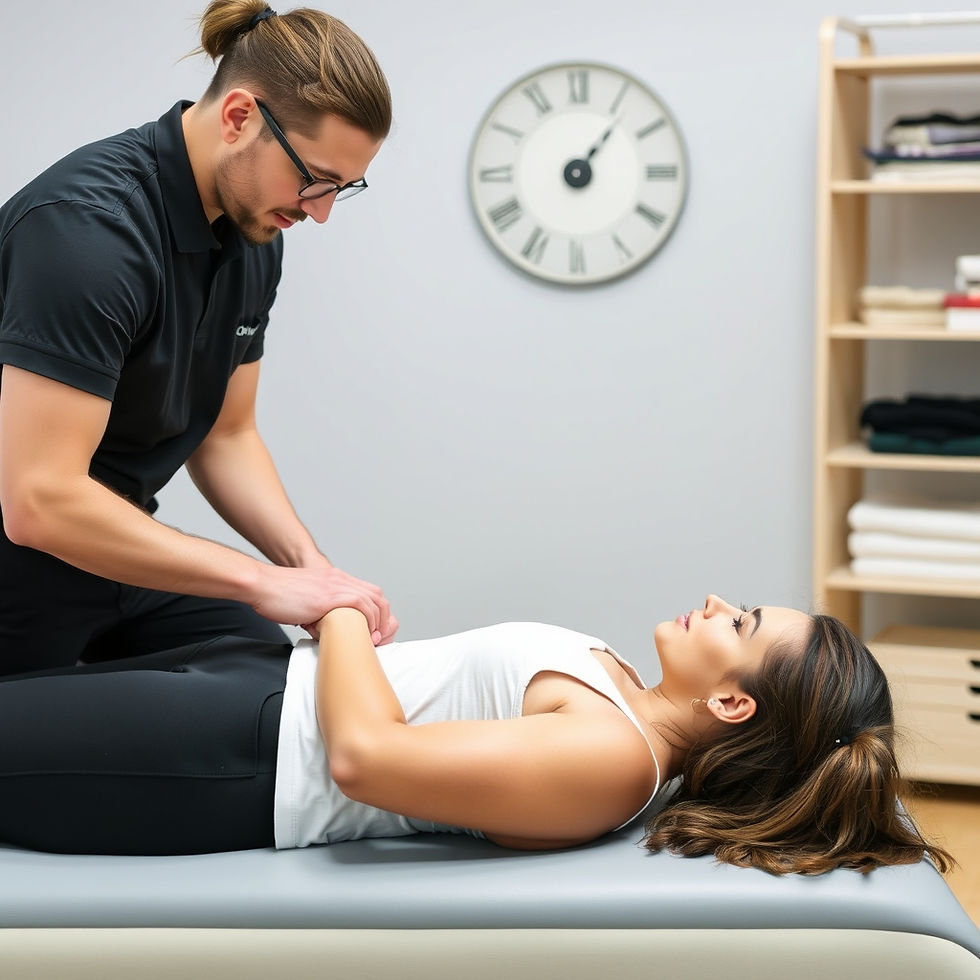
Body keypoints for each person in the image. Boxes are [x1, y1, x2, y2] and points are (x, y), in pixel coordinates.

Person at [0, 594, 954, 875]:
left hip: (237, 755)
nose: (714, 603)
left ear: (734, 706)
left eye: (739, 622)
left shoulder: (614, 760)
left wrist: (334, 612)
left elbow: (365, 760)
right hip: (255, 683)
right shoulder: (617, 690)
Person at [0, 1, 396, 675]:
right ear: (240, 117)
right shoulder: (88, 234)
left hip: (112, 546)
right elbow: (39, 500)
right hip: (22, 561)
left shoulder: (256, 233)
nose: (320, 213)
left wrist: (313, 575)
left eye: (342, 189)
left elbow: (227, 434)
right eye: (314, 181)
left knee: (270, 676)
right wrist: (260, 581)